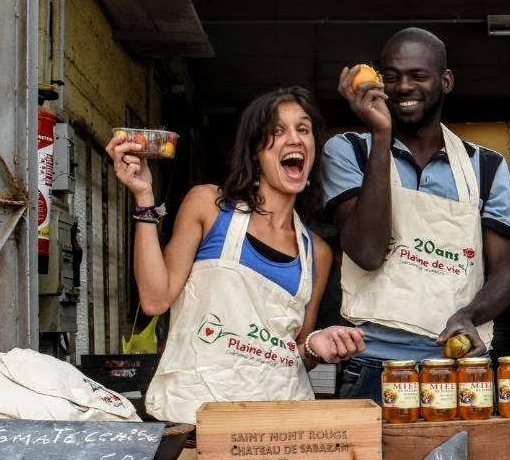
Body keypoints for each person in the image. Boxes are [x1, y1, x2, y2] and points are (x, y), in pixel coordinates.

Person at [107, 87, 366, 424]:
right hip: (196, 416)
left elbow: (297, 353)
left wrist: (318, 345)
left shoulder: (317, 251)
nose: (295, 139)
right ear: (255, 149)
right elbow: (155, 300)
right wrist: (144, 197)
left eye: (303, 130)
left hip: (277, 422)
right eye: (277, 131)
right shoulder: (209, 206)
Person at [323, 28, 510, 402]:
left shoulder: (487, 167)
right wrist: (381, 134)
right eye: (392, 77)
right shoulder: (350, 151)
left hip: (458, 368)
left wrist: (470, 314)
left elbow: (505, 272)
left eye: (418, 76)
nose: (403, 87)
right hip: (370, 366)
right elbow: (366, 253)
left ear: (445, 81)